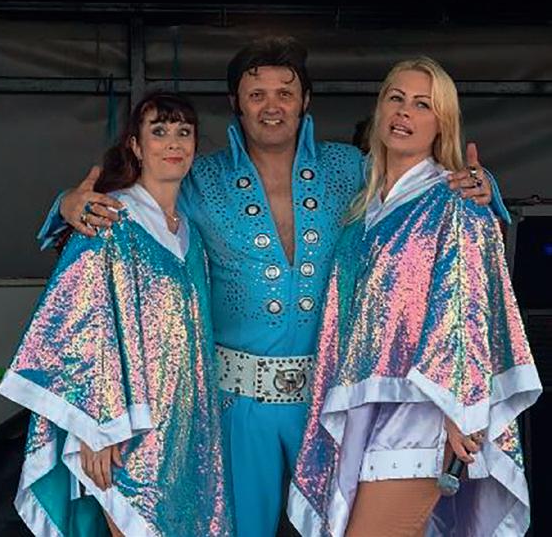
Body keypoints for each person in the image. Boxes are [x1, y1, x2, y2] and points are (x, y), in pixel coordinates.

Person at [37, 37, 506, 537]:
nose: (272, 106)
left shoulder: (353, 167)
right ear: (235, 103)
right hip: (235, 405)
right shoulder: (200, 176)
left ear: (306, 101)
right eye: (256, 94)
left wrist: (485, 188)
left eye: (285, 93)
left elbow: (423, 192)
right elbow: (137, 211)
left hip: (330, 404)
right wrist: (67, 204)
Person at [287, 57, 542, 536]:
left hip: (423, 414)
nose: (404, 112)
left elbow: (467, 308)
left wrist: (463, 409)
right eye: (396, 98)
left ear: (442, 123)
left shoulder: (456, 202)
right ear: (380, 108)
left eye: (423, 104)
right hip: (365, 407)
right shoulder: (361, 213)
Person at [0, 92, 234, 537]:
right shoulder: (110, 219)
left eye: (183, 132)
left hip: (184, 425)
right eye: (159, 132)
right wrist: (93, 428)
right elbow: (82, 325)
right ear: (136, 146)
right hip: (124, 428)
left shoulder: (191, 234)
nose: (173, 142)